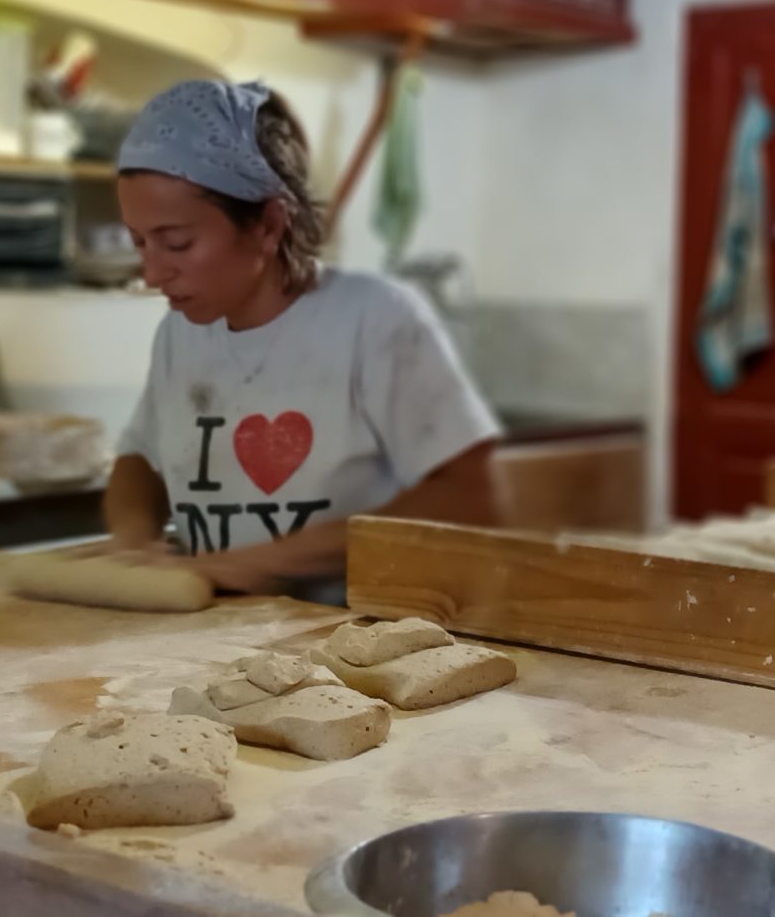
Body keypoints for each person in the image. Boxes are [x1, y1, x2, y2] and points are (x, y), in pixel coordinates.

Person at [102, 80, 501, 603]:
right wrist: (133, 548)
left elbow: (470, 497)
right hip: (218, 639)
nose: (152, 273)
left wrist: (257, 565)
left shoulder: (374, 319)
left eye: (177, 243)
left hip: (355, 646)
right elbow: (140, 461)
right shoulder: (181, 333)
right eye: (139, 243)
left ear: (269, 225)